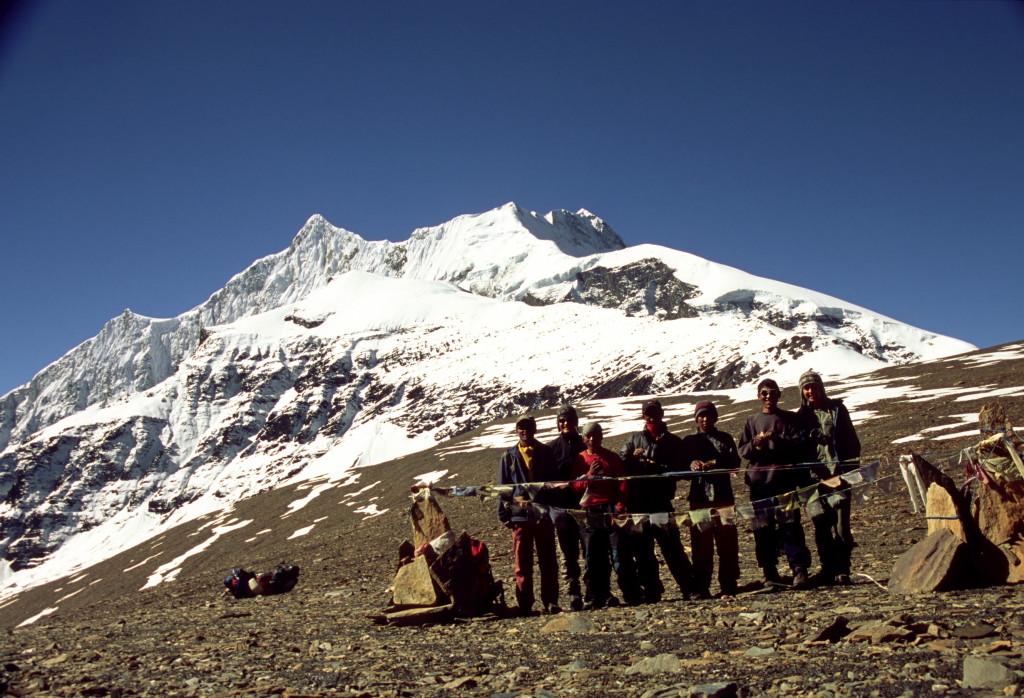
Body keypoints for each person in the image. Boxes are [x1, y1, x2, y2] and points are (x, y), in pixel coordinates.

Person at [738, 379, 813, 589]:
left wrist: (779, 440)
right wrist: (756, 443)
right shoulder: (752, 421)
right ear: (758, 396)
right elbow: (742, 450)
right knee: (763, 528)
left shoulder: (789, 419)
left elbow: (800, 445)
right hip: (760, 483)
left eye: (772, 393)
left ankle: (799, 568)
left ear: (779, 395)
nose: (768, 397)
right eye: (764, 393)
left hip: (784, 481)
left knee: (791, 525)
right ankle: (769, 571)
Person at [620, 399, 695, 602]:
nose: (651, 416)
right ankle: (652, 590)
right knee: (643, 550)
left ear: (661, 413)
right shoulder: (633, 440)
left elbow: (684, 469)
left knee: (672, 547)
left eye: (654, 412)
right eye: (648, 413)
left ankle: (689, 587)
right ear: (643, 416)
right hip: (638, 503)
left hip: (661, 501)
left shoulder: (673, 442)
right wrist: (633, 459)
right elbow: (622, 465)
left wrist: (661, 467)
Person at [795, 370, 861, 586]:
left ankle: (843, 570)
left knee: (842, 525)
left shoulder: (837, 410)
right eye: (806, 388)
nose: (810, 391)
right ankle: (827, 569)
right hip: (813, 480)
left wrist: (849, 471)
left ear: (821, 388)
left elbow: (851, 441)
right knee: (821, 524)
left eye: (814, 386)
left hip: (838, 475)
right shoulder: (801, 416)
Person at [570, 422, 641, 609]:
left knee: (620, 553)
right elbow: (574, 487)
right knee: (593, 555)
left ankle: (631, 593)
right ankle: (595, 596)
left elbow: (622, 482)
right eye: (588, 436)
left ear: (601, 436)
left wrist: (620, 503)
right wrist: (589, 474)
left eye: (595, 435)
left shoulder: (611, 457)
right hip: (589, 510)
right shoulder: (579, 459)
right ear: (584, 438)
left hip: (610, 509)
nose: (592, 439)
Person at [497, 415, 561, 615]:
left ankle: (550, 601)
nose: (525, 431)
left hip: (542, 514)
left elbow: (554, 483)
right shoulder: (508, 456)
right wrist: (504, 513)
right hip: (519, 516)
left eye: (529, 427)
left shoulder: (545, 452)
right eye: (521, 427)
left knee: (548, 560)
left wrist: (553, 510)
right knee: (522, 562)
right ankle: (525, 603)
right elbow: (503, 487)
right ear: (516, 430)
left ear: (535, 429)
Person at [681, 401, 740, 598]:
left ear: (715, 418)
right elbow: (682, 468)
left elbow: (735, 463)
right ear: (696, 418)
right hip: (699, 498)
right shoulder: (689, 441)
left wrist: (716, 463)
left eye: (708, 415)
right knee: (701, 545)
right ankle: (702, 586)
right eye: (701, 416)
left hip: (723, 497)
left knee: (728, 544)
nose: (704, 419)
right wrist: (692, 465)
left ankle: (729, 585)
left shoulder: (725, 439)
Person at [546, 404, 586, 611]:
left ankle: (594, 591)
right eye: (562, 420)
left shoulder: (586, 443)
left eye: (569, 420)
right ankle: (573, 593)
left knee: (590, 551)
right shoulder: (551, 448)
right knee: (567, 553)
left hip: (586, 507)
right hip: (562, 509)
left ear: (576, 422)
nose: (566, 424)